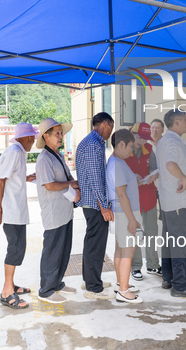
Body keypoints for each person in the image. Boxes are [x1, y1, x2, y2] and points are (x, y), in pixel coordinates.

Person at [0, 123, 39, 309]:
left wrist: (26, 177)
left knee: (19, 247)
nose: (33, 142)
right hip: (10, 210)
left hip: (16, 209)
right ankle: (6, 291)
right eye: (31, 139)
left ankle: (11, 284)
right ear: (23, 137)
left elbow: (10, 176)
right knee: (15, 248)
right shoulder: (14, 152)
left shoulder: (18, 152)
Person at [156, 109, 186, 298]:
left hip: (169, 201)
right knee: (180, 244)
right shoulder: (173, 142)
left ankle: (169, 278)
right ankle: (180, 286)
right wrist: (183, 177)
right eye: (185, 120)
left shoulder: (164, 141)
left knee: (169, 242)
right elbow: (170, 164)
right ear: (176, 123)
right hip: (177, 202)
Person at [35, 119, 80, 304]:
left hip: (65, 211)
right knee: (52, 251)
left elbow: (67, 176)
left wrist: (74, 187)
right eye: (57, 134)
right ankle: (46, 289)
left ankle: (57, 283)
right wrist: (72, 184)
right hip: (54, 213)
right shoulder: (44, 158)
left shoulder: (58, 155)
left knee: (64, 250)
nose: (61, 137)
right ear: (46, 136)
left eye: (62, 133)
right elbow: (50, 185)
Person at [75, 112, 115, 300]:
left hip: (93, 203)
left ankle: (91, 279)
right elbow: (94, 178)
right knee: (95, 244)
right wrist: (104, 206)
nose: (111, 132)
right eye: (111, 128)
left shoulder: (95, 142)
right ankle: (93, 287)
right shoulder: (92, 144)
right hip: (94, 204)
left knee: (94, 243)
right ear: (105, 124)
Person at [107, 129, 143, 304]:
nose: (131, 150)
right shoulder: (118, 164)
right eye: (130, 146)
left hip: (121, 213)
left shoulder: (115, 162)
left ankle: (122, 283)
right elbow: (122, 194)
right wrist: (132, 219)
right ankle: (123, 291)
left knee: (121, 249)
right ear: (121, 144)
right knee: (128, 251)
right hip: (125, 214)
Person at [125, 122, 160, 281]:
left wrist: (154, 175)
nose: (141, 141)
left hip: (149, 197)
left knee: (152, 231)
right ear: (132, 134)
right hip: (132, 200)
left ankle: (153, 264)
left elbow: (155, 168)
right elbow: (118, 174)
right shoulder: (124, 151)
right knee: (135, 233)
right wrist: (133, 179)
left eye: (144, 138)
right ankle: (136, 266)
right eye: (138, 137)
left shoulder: (150, 149)